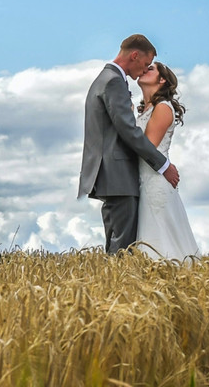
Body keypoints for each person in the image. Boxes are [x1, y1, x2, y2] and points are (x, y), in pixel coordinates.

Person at [78, 34, 180, 254]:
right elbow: (128, 131)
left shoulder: (107, 78)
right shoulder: (114, 80)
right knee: (122, 246)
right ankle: (114, 287)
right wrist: (163, 165)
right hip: (118, 175)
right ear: (134, 55)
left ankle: (111, 285)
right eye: (145, 65)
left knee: (116, 244)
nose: (143, 70)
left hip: (113, 175)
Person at [134, 61, 199, 260]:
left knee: (159, 240)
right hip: (143, 181)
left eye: (150, 69)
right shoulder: (146, 110)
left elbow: (147, 146)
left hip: (155, 183)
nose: (144, 70)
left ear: (162, 80)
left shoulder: (162, 108)